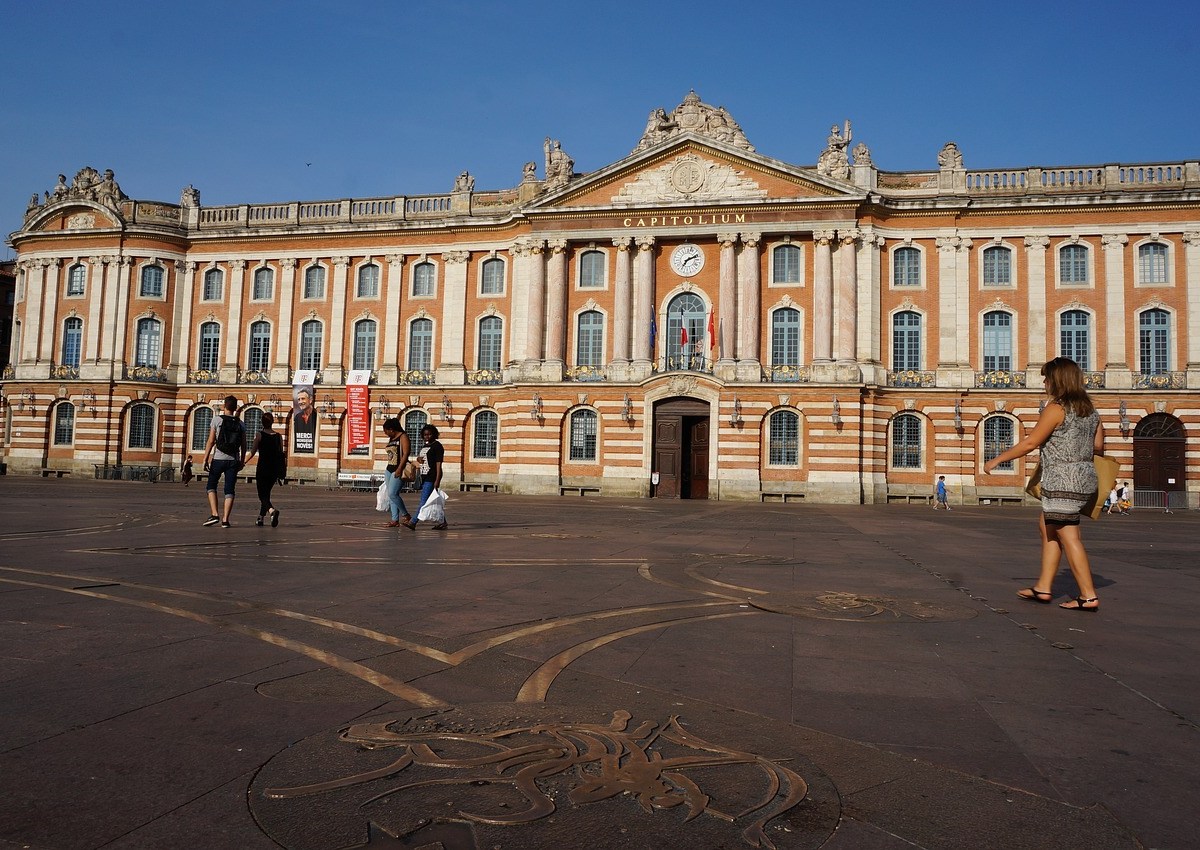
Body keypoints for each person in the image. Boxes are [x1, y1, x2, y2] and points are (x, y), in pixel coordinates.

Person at [984, 357, 1104, 612]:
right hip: (1084, 477)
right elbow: (1099, 447)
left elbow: (1030, 443)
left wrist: (996, 460)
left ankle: (1087, 595)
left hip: (1062, 479)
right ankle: (1043, 587)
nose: (1044, 382)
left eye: (1047, 377)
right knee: (1047, 526)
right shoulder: (1091, 411)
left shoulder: (1056, 408)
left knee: (1068, 535)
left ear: (1057, 380)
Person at [203, 396, 246, 528]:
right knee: (229, 490)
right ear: (235, 408)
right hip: (233, 460)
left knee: (211, 485)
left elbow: (211, 441)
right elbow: (244, 444)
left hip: (218, 459)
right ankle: (225, 520)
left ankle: (215, 514)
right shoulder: (241, 423)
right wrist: (242, 460)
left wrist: (205, 458)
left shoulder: (217, 420)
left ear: (224, 406)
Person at [402, 424, 446, 531]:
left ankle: (413, 522)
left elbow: (438, 465)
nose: (427, 437)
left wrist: (437, 480)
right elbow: (422, 458)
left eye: (430, 434)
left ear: (434, 434)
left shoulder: (437, 446)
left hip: (432, 476)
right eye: (425, 435)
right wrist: (418, 458)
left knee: (424, 500)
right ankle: (443, 522)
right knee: (432, 500)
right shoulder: (425, 445)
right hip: (423, 475)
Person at [245, 411, 285, 527]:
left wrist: (243, 462)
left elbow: (252, 452)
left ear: (262, 422)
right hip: (274, 470)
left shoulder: (259, 435)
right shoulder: (278, 437)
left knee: (261, 495)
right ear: (272, 422)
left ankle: (272, 511)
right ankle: (261, 518)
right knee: (266, 493)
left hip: (263, 468)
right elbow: (280, 454)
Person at [381, 417, 413, 528]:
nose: (385, 433)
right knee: (391, 496)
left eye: (386, 431)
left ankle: (406, 515)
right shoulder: (392, 439)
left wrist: (399, 468)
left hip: (398, 468)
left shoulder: (403, 437)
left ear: (391, 429)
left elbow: (406, 453)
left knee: (393, 494)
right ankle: (395, 519)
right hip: (389, 469)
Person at [292, 387, 316, 453]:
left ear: (310, 400)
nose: (300, 402)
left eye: (303, 399)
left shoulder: (316, 415)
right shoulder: (297, 417)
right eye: (299, 399)